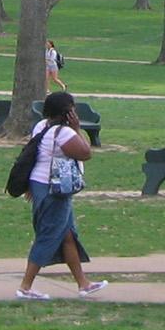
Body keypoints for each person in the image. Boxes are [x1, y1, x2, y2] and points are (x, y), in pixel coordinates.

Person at [16, 91, 106, 300]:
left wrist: (31, 186)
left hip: (40, 185)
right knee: (48, 236)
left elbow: (36, 156)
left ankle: (83, 284)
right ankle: (25, 287)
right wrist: (77, 129)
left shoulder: (40, 126)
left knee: (67, 236)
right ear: (67, 112)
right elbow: (85, 152)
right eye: (72, 108)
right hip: (54, 190)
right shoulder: (64, 133)